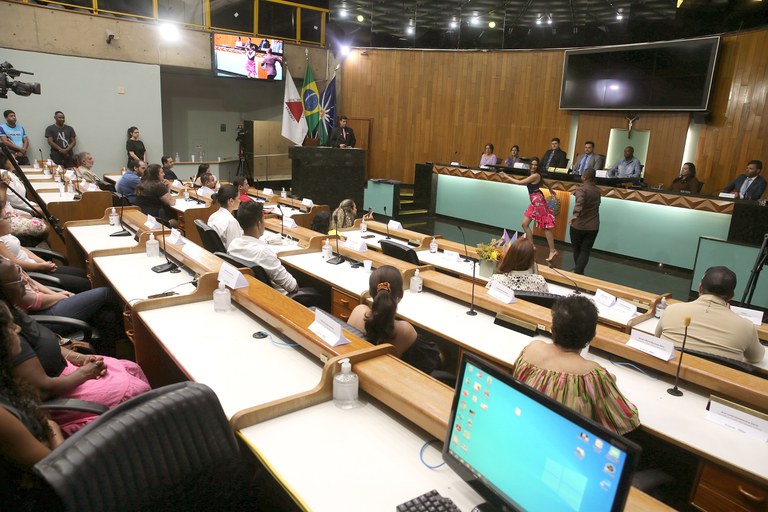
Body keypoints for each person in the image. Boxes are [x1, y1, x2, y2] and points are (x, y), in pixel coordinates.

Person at [0, 259, 149, 437]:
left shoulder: (12, 311)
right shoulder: (9, 334)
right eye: (18, 278)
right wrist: (85, 373)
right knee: (135, 391)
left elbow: (43, 342)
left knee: (131, 367)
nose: (25, 280)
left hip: (66, 372)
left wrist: (79, 358)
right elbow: (43, 390)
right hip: (58, 395)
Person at [512, 295, 641, 435]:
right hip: (563, 439)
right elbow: (627, 419)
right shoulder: (593, 375)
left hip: (522, 426)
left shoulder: (532, 348)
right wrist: (607, 382)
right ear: (591, 337)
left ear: (553, 329)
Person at [0, 300, 64, 509]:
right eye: (10, 326)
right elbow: (56, 470)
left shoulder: (6, 379)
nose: (17, 329)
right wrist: (53, 429)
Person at [655, 266, 765, 363]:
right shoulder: (746, 327)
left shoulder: (671, 310)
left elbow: (657, 336)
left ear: (700, 288)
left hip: (668, 376)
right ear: (731, 296)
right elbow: (756, 357)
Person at [348, 266, 442, 374]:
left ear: (370, 292)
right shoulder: (405, 330)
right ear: (401, 294)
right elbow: (430, 363)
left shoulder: (358, 311)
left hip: (356, 374)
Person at [0, 218, 91, 293]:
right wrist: (41, 266)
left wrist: (43, 263)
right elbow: (14, 264)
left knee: (84, 273)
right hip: (31, 274)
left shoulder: (5, 235)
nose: (10, 221)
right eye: (6, 218)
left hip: (38, 267)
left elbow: (22, 249)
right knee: (85, 284)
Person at [228, 202, 299, 294]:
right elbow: (292, 287)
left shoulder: (233, 244)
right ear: (259, 224)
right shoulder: (263, 252)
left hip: (251, 292)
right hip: (278, 297)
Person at [504, 157, 557, 262]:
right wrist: (550, 189)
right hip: (534, 202)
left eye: (535, 165)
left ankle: (552, 250)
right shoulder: (535, 175)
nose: (533, 166)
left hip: (539, 202)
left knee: (545, 227)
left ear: (538, 166)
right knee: (524, 224)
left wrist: (506, 176)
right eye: (532, 164)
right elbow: (545, 181)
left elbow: (519, 182)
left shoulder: (535, 175)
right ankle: (531, 247)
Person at [569, 168, 601, 275]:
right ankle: (579, 271)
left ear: (585, 177)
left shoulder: (581, 189)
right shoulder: (597, 191)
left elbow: (580, 202)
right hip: (593, 226)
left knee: (577, 250)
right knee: (585, 251)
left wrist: (575, 215)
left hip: (579, 225)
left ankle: (578, 272)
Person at [207, 184, 242, 249]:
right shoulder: (231, 222)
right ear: (231, 201)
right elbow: (234, 249)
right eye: (238, 198)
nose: (240, 201)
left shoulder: (212, 216)